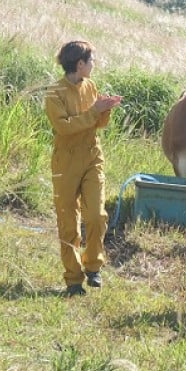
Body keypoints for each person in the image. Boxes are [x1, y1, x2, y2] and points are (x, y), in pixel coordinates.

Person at [44, 40, 122, 297]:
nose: (94, 65)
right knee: (68, 222)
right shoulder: (55, 93)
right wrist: (94, 111)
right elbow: (64, 127)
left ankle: (93, 266)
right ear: (80, 64)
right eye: (92, 61)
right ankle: (74, 280)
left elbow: (96, 124)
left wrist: (105, 110)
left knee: (97, 216)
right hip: (65, 163)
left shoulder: (91, 86)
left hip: (92, 157)